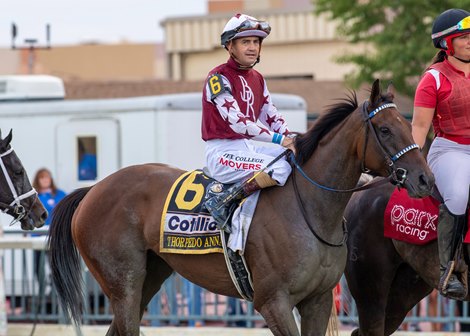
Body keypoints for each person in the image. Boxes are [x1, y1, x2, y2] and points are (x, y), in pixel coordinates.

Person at [201, 13, 295, 231]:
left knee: (294, 159)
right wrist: (280, 140)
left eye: (256, 42)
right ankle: (223, 202)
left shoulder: (258, 78)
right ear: (230, 46)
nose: (252, 47)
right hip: (221, 154)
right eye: (245, 42)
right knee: (279, 168)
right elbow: (239, 123)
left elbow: (271, 115)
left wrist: (291, 137)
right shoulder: (218, 77)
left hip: (246, 149)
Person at [411, 8, 470, 300]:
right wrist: (409, 166)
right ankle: (448, 270)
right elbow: (420, 127)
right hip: (450, 150)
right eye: (464, 37)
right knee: (458, 195)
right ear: (447, 44)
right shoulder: (433, 78)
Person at [32, 168, 67, 283]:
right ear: (38, 180)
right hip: (38, 237)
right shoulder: (34, 196)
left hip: (56, 237)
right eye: (42, 178)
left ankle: (55, 290)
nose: (45, 180)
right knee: (38, 268)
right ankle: (42, 290)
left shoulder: (60, 194)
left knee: (56, 267)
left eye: (47, 177)